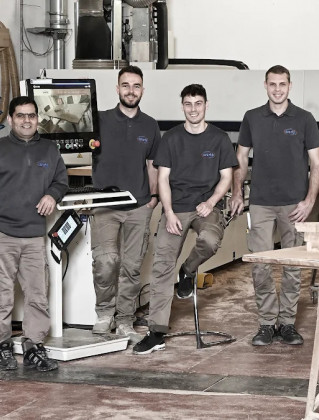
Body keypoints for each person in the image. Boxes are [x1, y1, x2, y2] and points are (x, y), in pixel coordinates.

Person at [133, 84, 237, 354]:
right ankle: (156, 332)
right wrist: (168, 213)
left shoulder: (219, 138)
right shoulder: (171, 138)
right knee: (162, 265)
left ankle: (188, 270)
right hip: (176, 207)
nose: (193, 109)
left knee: (211, 240)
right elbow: (163, 178)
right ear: (182, 106)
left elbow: (226, 177)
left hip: (206, 206)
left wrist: (211, 202)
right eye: (188, 104)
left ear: (206, 105)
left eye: (198, 103)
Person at [0, 96, 68, 371]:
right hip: (2, 237)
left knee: (37, 295)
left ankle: (33, 345)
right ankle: (1, 346)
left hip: (34, 237)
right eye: (21, 115)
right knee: (2, 296)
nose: (27, 120)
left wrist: (52, 194)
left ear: (38, 119)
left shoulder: (49, 150)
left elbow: (61, 181)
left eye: (32, 115)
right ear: (11, 119)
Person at [230, 65, 319, 346]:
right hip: (261, 202)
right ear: (265, 85)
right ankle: (267, 323)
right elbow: (241, 157)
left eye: (282, 84)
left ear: (290, 86)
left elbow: (317, 163)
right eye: (273, 84)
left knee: (292, 265)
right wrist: (237, 192)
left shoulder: (305, 119)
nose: (277, 89)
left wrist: (309, 201)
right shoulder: (252, 117)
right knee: (260, 264)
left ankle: (287, 323)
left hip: (295, 204)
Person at [90, 65, 160, 344]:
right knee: (106, 261)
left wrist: (153, 198)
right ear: (117, 88)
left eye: (136, 86)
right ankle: (104, 313)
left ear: (143, 90)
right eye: (126, 85)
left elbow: (152, 165)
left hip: (138, 205)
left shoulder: (150, 125)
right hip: (105, 204)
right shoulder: (99, 120)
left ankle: (125, 321)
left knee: (131, 267)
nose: (131, 91)